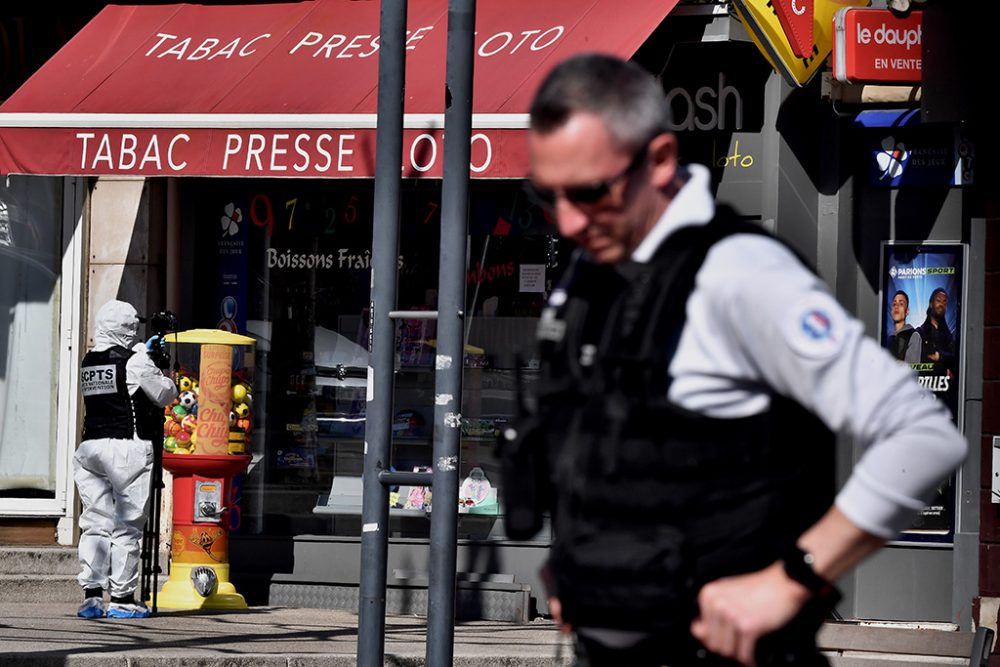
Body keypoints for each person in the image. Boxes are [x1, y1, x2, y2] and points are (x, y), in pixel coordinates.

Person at [503, 53, 966, 667]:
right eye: (548, 195)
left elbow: (924, 434)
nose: (567, 219)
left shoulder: (740, 273)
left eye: (590, 192)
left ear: (661, 160)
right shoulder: (591, 278)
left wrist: (794, 578)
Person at [74, 300, 177, 619]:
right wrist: (156, 364)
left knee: (94, 522)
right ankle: (122, 597)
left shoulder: (88, 361)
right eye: (133, 325)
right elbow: (164, 394)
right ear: (126, 328)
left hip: (90, 448)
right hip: (125, 449)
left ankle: (92, 596)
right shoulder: (134, 361)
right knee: (126, 525)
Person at [916, 287, 956, 372]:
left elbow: (956, 358)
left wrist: (939, 356)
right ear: (930, 304)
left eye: (944, 302)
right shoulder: (919, 333)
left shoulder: (949, 336)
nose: (941, 305)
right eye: (938, 301)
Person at [887, 290, 921, 364]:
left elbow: (911, 369)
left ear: (907, 311)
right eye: (894, 304)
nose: (896, 306)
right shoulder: (889, 339)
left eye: (901, 304)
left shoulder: (913, 335)